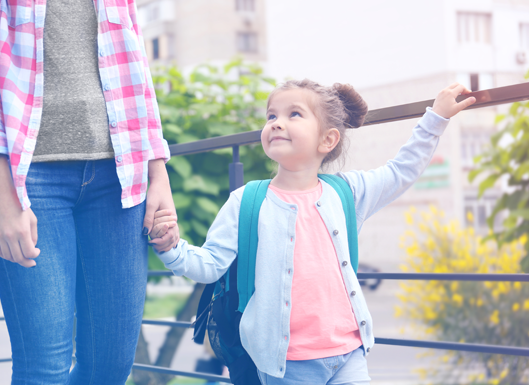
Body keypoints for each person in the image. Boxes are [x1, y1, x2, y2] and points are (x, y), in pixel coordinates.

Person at [149, 80, 476, 384]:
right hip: (286, 365)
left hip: (350, 354)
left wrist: (436, 118)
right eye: (271, 115)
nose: (276, 122)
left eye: (294, 114)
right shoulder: (247, 201)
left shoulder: (347, 192)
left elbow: (402, 170)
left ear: (328, 139)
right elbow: (210, 265)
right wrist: (171, 248)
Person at [0, 0, 179, 383]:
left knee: (111, 366)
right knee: (44, 370)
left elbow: (134, 62)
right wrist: (0, 195)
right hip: (28, 179)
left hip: (120, 177)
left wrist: (158, 172)